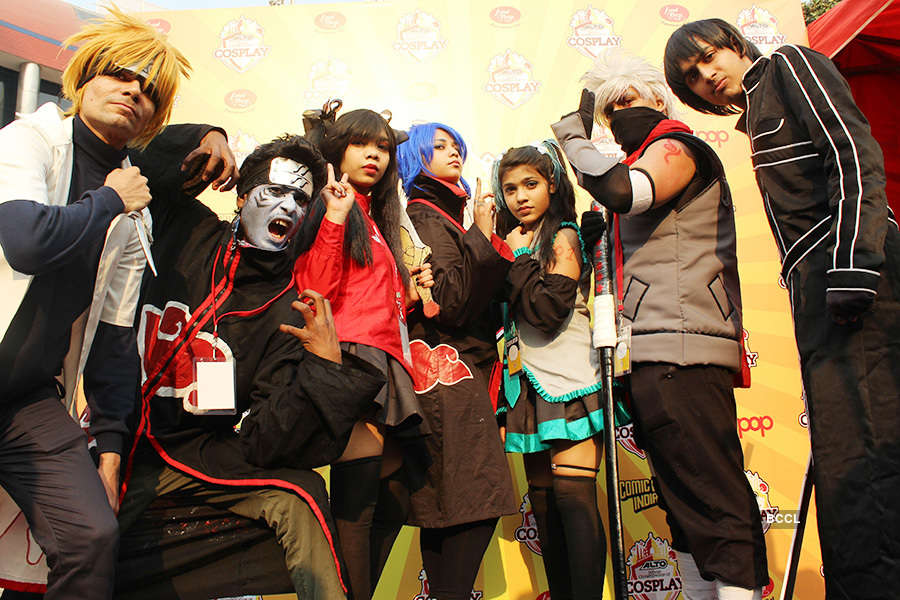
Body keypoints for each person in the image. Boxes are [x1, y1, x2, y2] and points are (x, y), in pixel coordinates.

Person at [663, 19, 900, 599]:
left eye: (711, 56)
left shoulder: (791, 64)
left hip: (854, 268)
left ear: (736, 45)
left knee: (868, 442)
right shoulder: (754, 115)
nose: (708, 77)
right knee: (846, 445)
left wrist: (852, 262)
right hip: (817, 286)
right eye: (692, 77)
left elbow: (852, 154)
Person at [116, 132, 385, 599]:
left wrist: (323, 364)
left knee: (301, 496)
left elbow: (268, 438)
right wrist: (203, 138)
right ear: (241, 198)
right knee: (73, 541)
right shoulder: (186, 228)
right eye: (275, 192)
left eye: (300, 199)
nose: (287, 206)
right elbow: (138, 167)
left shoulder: (285, 306)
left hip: (194, 454)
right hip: (114, 438)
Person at [551, 48, 767, 599]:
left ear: (657, 97)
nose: (623, 112)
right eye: (611, 107)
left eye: (632, 98)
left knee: (711, 493)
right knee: (680, 501)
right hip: (651, 349)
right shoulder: (639, 157)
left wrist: (575, 141)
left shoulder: (673, 147)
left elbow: (629, 192)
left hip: (685, 345)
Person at [0, 8, 190, 598]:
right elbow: (25, 241)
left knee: (91, 536)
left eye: (150, 91)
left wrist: (110, 452)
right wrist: (108, 199)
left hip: (26, 401)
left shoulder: (135, 206)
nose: (134, 91)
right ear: (84, 80)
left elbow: (114, 337)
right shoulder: (28, 140)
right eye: (121, 75)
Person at [294, 107, 431, 599]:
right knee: (357, 506)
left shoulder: (375, 212)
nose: (374, 154)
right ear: (337, 150)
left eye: (384, 147)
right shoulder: (329, 207)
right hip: (353, 358)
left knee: (393, 496)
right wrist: (332, 216)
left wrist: (408, 291)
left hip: (387, 358)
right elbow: (315, 289)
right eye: (360, 143)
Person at [397, 122, 518, 600]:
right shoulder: (425, 216)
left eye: (455, 146)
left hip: (453, 375)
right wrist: (483, 238)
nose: (453, 154)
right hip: (449, 376)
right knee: (468, 503)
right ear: (415, 160)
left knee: (453, 509)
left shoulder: (441, 214)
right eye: (438, 147)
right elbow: (449, 301)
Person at [492, 140, 608, 600]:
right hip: (529, 384)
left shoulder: (562, 235)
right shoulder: (517, 237)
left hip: (570, 378)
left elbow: (548, 310)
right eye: (511, 188)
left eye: (530, 184)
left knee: (572, 499)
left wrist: (518, 260)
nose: (520, 196)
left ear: (553, 185)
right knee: (544, 504)